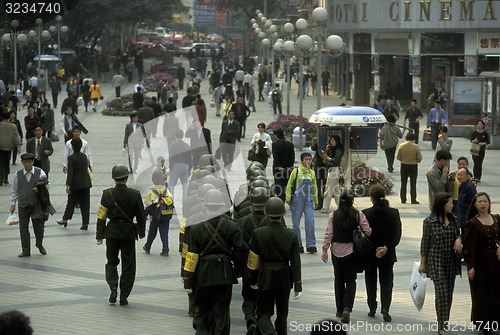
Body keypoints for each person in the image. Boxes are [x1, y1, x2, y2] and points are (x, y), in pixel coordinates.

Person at [183, 189, 243, 335]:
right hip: (224, 273)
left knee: (203, 309)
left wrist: (188, 280)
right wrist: (235, 268)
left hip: (203, 274)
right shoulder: (232, 226)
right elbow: (240, 250)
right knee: (222, 311)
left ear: (205, 206)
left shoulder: (196, 228)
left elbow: (191, 257)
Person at [247, 197, 302, 335]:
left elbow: (253, 260)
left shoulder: (258, 233)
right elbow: (296, 262)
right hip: (284, 277)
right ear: (282, 214)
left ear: (267, 213)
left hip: (266, 275)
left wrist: (252, 279)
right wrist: (298, 285)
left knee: (263, 312)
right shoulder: (292, 235)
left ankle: (270, 333)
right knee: (282, 313)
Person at [96, 164, 146, 306]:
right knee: (128, 264)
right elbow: (141, 216)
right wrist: (141, 232)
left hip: (111, 232)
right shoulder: (135, 194)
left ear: (114, 178)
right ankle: (124, 295)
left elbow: (101, 216)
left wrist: (99, 235)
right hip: (128, 233)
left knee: (111, 262)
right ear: (126, 177)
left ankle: (113, 287)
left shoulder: (107, 194)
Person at [321, 191, 372, 323]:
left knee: (338, 280)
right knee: (350, 280)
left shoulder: (333, 215)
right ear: (352, 201)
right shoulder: (357, 214)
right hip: (351, 252)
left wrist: (325, 249)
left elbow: (329, 233)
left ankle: (339, 309)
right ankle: (347, 308)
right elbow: (368, 231)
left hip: (336, 252)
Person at [419, 192, 462, 335]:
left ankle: (445, 321)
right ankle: (441, 324)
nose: (452, 205)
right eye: (449, 202)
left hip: (451, 260)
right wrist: (422, 263)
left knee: (449, 292)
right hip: (436, 259)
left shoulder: (454, 219)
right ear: (442, 205)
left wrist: (459, 239)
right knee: (442, 290)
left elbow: (459, 233)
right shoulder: (429, 222)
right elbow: (424, 243)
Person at [361, 185, 402, 322]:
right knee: (387, 281)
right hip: (387, 254)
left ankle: (372, 307)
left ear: (372, 198)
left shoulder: (365, 213)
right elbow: (397, 235)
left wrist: (375, 248)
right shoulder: (394, 212)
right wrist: (385, 247)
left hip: (370, 253)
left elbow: (363, 235)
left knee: (370, 281)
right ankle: (386, 308)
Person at [463, 192, 500, 335]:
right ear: (475, 205)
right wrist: (470, 266)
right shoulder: (472, 223)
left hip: (495, 262)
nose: (483, 204)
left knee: (496, 291)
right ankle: (485, 325)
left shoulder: (496, 218)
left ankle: (496, 321)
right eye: (480, 202)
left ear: (489, 203)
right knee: (482, 293)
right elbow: (469, 247)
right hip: (480, 262)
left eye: (485, 201)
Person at [10, 153, 50, 257]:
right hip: (23, 204)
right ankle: (26, 249)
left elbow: (47, 185)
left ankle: (39, 244)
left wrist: (39, 188)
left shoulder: (39, 172)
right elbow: (14, 190)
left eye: (29, 162)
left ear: (33, 162)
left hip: (36, 204)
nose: (27, 164)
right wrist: (13, 204)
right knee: (23, 228)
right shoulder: (17, 175)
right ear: (22, 162)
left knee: (39, 227)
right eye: (25, 162)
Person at [286, 152, 319, 254]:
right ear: (302, 161)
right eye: (306, 159)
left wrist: (316, 200)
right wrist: (288, 196)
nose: (308, 161)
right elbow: (289, 184)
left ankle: (311, 245)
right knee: (296, 223)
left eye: (310, 159)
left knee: (310, 221)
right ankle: (298, 244)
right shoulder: (296, 171)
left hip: (308, 199)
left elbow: (314, 187)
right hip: (297, 199)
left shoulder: (312, 173)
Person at [57, 138, 92, 230]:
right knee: (85, 204)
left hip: (75, 185)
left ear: (72, 146)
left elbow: (70, 173)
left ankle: (65, 219)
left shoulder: (71, 158)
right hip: (85, 183)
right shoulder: (85, 156)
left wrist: (68, 185)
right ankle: (85, 223)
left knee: (71, 202)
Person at [143, 171, 174, 256]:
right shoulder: (166, 189)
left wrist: (145, 214)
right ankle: (165, 249)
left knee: (152, 231)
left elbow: (148, 204)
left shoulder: (152, 190)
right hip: (166, 214)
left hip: (156, 215)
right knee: (164, 232)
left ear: (153, 180)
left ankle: (147, 246)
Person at [396, 133, 422, 204]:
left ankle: (403, 199)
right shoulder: (416, 146)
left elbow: (398, 156)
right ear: (413, 139)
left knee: (403, 183)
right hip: (413, 166)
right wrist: (416, 160)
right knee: (413, 183)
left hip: (404, 165)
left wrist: (403, 159)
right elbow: (419, 158)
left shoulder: (401, 146)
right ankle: (413, 199)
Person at [321, 135, 344, 213]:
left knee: (329, 189)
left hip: (334, 170)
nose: (332, 142)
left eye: (333, 140)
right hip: (331, 169)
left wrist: (328, 158)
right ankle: (341, 206)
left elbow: (336, 161)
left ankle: (325, 207)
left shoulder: (338, 150)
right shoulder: (332, 149)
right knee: (336, 190)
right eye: (331, 140)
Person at [168, 129, 192, 202]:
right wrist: (189, 169)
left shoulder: (173, 145)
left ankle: (171, 201)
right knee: (185, 184)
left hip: (175, 165)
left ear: (175, 136)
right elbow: (189, 158)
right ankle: (184, 201)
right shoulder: (187, 145)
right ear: (183, 136)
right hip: (185, 166)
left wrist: (170, 167)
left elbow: (171, 157)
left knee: (171, 184)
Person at [272, 128, 295, 202]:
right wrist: (290, 166)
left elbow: (276, 157)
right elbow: (292, 156)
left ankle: (280, 201)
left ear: (276, 135)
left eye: (274, 135)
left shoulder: (275, 144)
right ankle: (289, 199)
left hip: (278, 169)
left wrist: (279, 167)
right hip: (288, 168)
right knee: (288, 184)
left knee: (279, 186)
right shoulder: (290, 144)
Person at [0, 115, 22, 186]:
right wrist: (18, 145)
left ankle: (1, 177)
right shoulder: (13, 126)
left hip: (0, 147)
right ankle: (6, 177)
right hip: (9, 147)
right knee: (7, 162)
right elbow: (16, 136)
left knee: (1, 162)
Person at [455, 168, 476, 234]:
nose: (459, 177)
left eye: (461, 175)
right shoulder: (462, 185)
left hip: (467, 219)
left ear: (467, 176)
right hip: (462, 218)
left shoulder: (469, 187)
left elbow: (473, 202)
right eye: (458, 175)